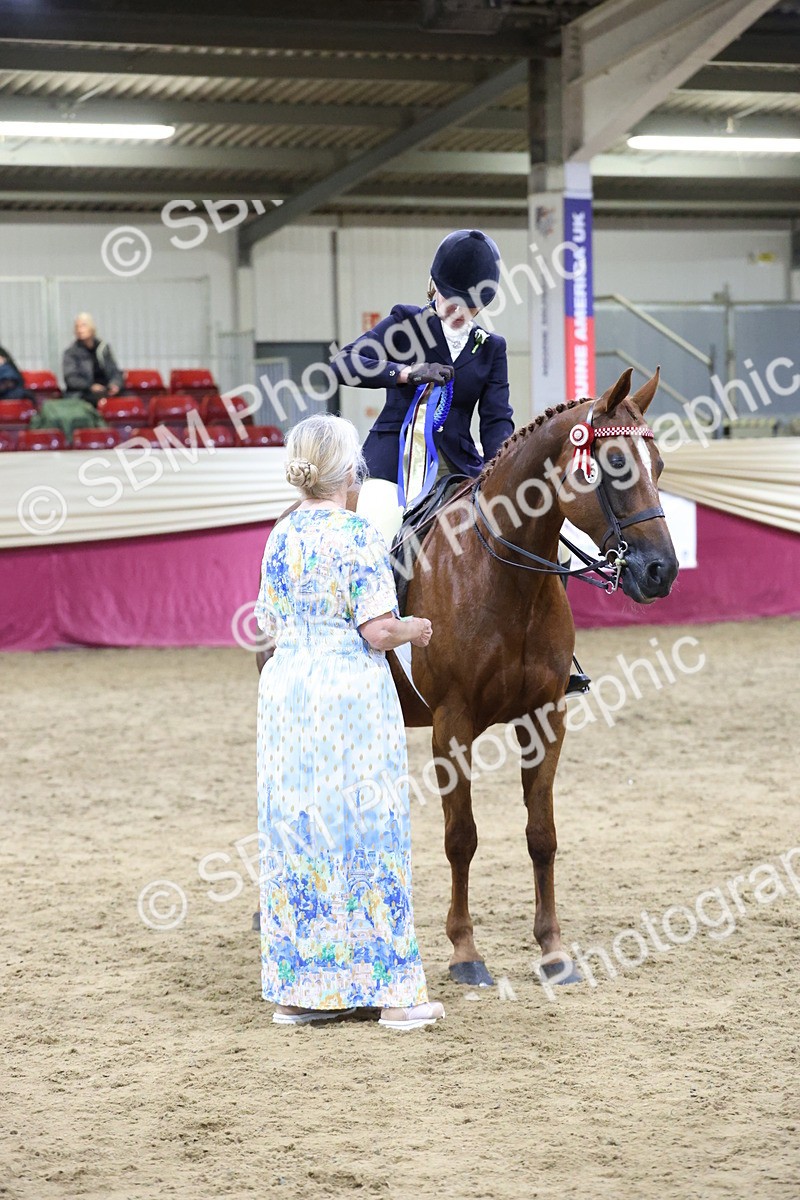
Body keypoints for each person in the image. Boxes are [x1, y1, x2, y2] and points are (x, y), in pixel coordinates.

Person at [254, 412, 445, 1031]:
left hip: (288, 690)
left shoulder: (279, 535)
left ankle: (304, 991)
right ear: (350, 471)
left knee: (299, 827)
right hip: (346, 693)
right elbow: (376, 630)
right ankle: (393, 994)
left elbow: (270, 620)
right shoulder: (359, 535)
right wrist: (414, 628)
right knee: (368, 825)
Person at [331, 228, 514, 545]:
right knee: (380, 533)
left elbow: (496, 421)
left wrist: (501, 471)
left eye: (468, 306)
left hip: (458, 469)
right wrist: (404, 373)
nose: (457, 312)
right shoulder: (406, 324)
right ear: (435, 287)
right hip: (393, 466)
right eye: (451, 301)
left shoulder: (490, 348)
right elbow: (345, 363)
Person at [62, 313, 124, 404]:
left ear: (92, 328)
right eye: (77, 327)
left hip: (105, 389)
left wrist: (115, 384)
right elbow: (71, 379)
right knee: (96, 399)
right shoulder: (71, 352)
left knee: (129, 398)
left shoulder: (103, 348)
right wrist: (91, 386)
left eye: (83, 326)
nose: (79, 330)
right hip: (83, 393)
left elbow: (114, 371)